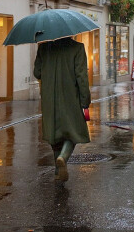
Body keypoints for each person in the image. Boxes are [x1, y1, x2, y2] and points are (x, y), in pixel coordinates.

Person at [34, 37, 91, 182]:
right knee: (74, 132)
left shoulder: (44, 48)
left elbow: (37, 72)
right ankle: (63, 157)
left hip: (49, 98)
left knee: (54, 134)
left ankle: (58, 171)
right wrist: (85, 100)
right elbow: (82, 77)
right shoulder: (77, 48)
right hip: (70, 97)